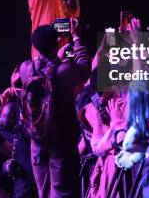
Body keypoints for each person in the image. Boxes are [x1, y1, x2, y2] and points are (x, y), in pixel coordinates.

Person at [19, 18, 91, 198]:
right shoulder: (63, 71)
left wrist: (58, 56)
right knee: (62, 193)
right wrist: (76, 38)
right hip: (61, 143)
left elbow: (42, 66)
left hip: (36, 141)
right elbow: (85, 67)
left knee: (43, 193)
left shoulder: (26, 69)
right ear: (57, 41)